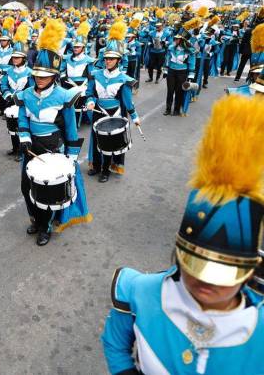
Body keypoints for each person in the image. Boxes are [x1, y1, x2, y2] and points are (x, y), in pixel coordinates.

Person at [101, 94, 264, 375]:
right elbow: (115, 344)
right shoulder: (138, 290)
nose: (204, 280)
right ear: (178, 254)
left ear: (249, 271)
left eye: (223, 271)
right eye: (195, 264)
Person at [17, 18, 91, 246]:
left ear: (54, 76)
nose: (39, 79)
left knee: (47, 191)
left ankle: (46, 226)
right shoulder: (27, 94)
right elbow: (23, 118)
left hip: (53, 148)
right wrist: (25, 139)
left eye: (44, 75)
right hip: (32, 149)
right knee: (26, 186)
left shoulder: (64, 95)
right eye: (37, 75)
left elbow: (70, 127)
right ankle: (35, 220)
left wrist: (70, 156)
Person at [86, 41, 140, 183]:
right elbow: (89, 93)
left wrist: (134, 117)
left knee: (109, 143)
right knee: (96, 139)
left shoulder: (124, 79)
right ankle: (97, 166)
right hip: (98, 111)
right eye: (106, 59)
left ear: (118, 61)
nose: (108, 61)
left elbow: (128, 101)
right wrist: (90, 101)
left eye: (111, 59)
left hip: (114, 113)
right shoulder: (95, 74)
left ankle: (106, 170)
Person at [0, 32, 32, 161]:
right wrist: (7, 94)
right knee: (11, 126)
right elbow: (3, 85)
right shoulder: (9, 71)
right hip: (11, 102)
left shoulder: (30, 73)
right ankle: (14, 148)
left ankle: (21, 150)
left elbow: (31, 89)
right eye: (13, 57)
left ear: (23, 59)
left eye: (17, 58)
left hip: (23, 104)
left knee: (22, 127)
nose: (14, 59)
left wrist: (21, 98)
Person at [163, 32, 195, 117]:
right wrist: (165, 70)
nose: (175, 40)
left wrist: (191, 74)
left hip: (182, 72)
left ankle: (176, 110)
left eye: (177, 39)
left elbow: (191, 62)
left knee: (179, 92)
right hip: (171, 71)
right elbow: (167, 59)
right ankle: (168, 109)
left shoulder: (189, 50)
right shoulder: (171, 48)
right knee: (170, 91)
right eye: (175, 39)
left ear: (182, 40)